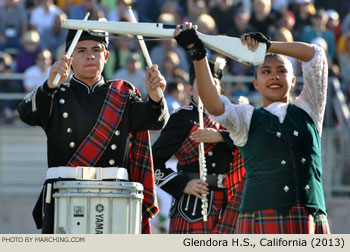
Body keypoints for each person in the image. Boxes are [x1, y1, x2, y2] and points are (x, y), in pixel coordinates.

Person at [174, 23, 330, 234]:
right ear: (255, 83)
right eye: (266, 71)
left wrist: (267, 46)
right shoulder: (246, 117)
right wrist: (197, 55)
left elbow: (315, 56)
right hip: (260, 218)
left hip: (310, 216)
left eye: (281, 71)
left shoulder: (310, 109)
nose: (274, 76)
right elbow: (213, 104)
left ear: (293, 80)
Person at [17, 27, 169, 234]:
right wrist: (49, 86)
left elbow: (155, 121)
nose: (90, 56)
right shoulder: (55, 94)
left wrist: (156, 98)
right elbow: (26, 113)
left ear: (106, 56)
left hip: (115, 192)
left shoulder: (123, 95)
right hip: (64, 191)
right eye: (81, 51)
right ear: (69, 59)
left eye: (96, 50)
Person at [152, 58, 246, 233]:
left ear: (220, 89)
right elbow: (152, 161)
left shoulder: (231, 120)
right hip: (191, 206)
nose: (207, 87)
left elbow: (248, 143)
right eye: (201, 82)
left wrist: (220, 136)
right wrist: (182, 185)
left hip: (228, 204)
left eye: (212, 83)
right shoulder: (182, 118)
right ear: (189, 90)